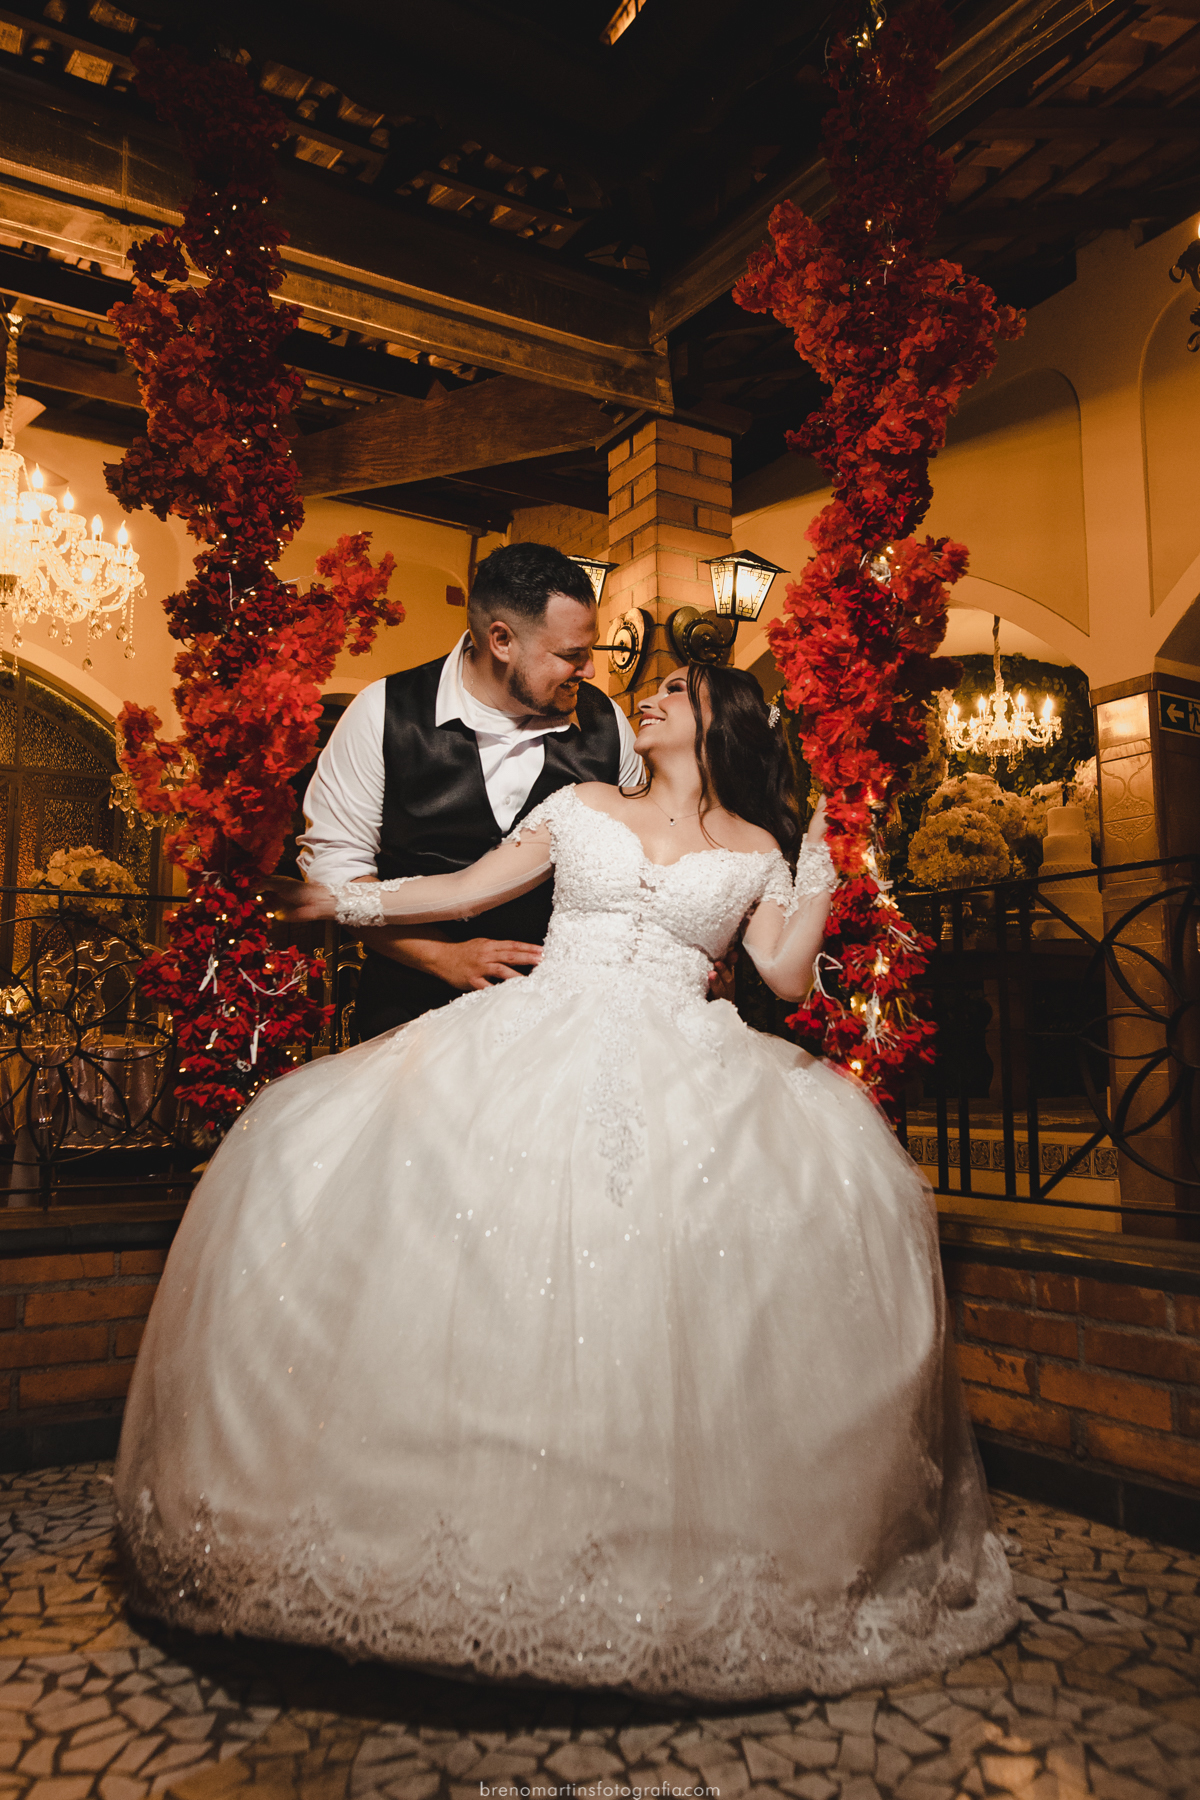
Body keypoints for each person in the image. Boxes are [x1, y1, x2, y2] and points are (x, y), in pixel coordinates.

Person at [114, 663, 1017, 1702]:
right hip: (539, 1029)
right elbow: (463, 890)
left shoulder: (762, 849)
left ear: (721, 720)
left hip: (691, 1055)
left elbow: (781, 975)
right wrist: (343, 899)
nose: (652, 697)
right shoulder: (583, 802)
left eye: (676, 688)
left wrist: (821, 860)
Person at [298, 541, 643, 1039]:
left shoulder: (606, 721)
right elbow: (336, 876)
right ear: (501, 641)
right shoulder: (383, 712)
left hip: (564, 1023)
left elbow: (646, 859)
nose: (589, 670)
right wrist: (442, 958)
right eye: (572, 655)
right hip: (411, 1013)